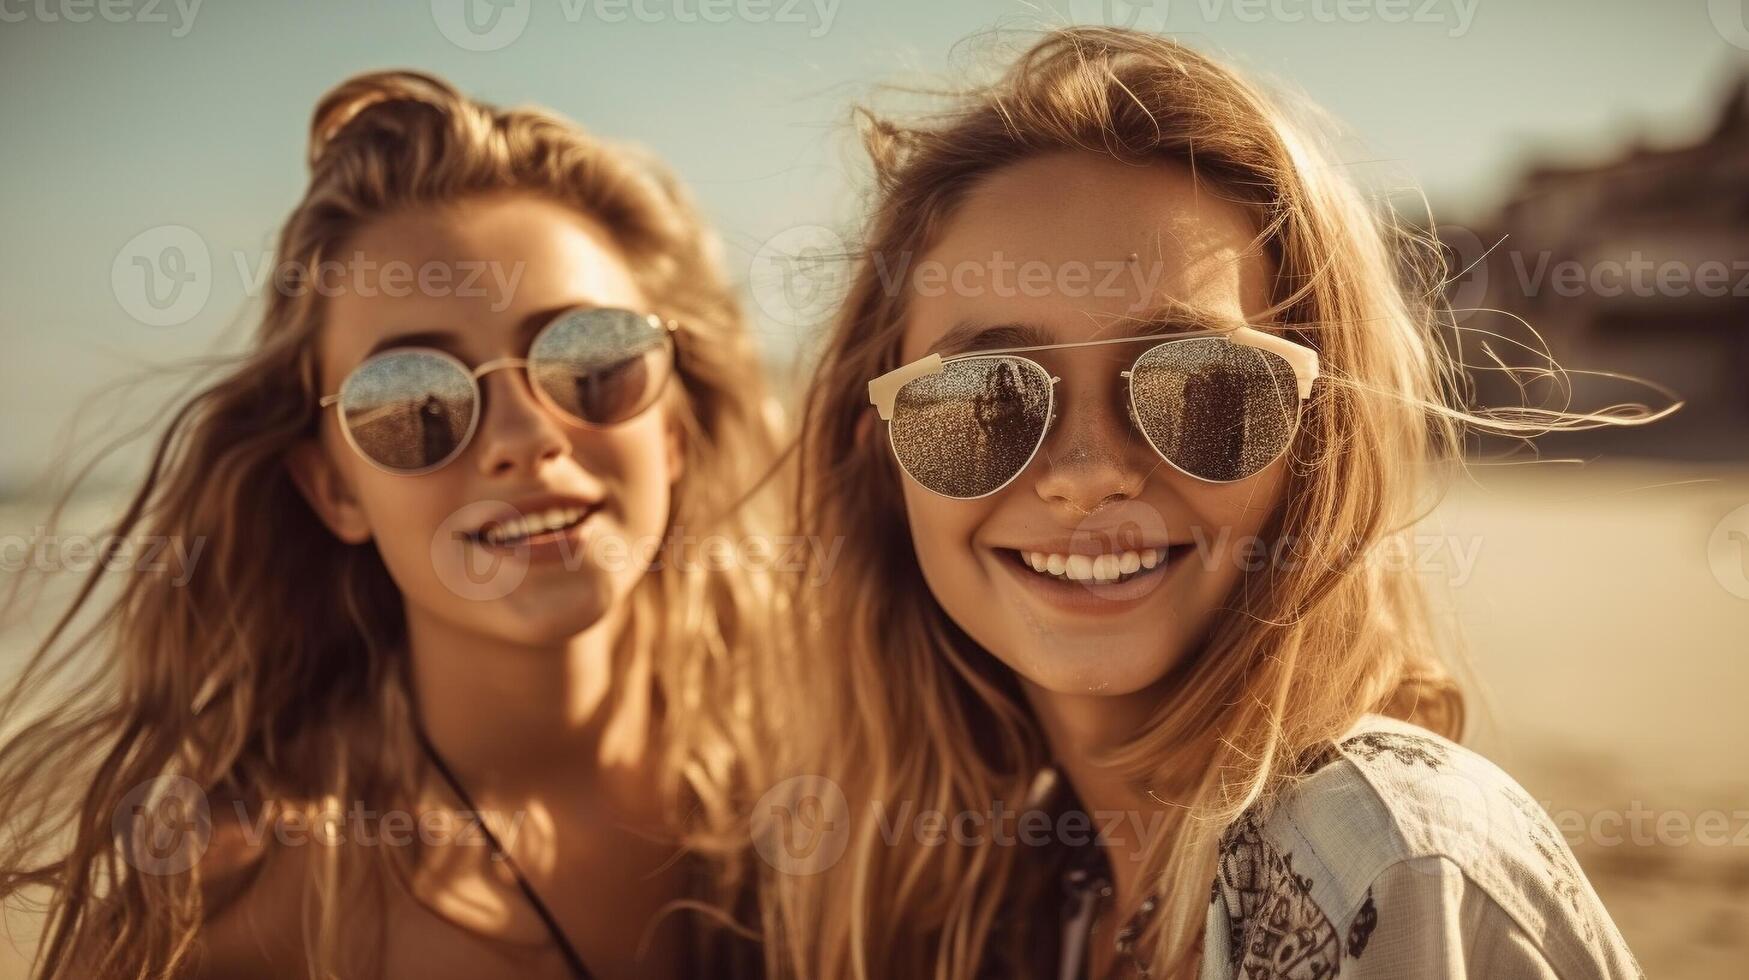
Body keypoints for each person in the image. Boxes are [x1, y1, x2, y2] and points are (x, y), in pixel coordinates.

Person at [769, 26, 1656, 979]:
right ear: (880, 459)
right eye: (984, 395)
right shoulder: (1014, 884)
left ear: (1316, 440)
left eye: (1204, 387)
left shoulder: (1395, 859)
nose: (1088, 470)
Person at [0, 70, 777, 979]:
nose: (526, 438)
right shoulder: (245, 912)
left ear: (673, 426)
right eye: (413, 401)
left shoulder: (850, 742)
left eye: (589, 358)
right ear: (333, 488)